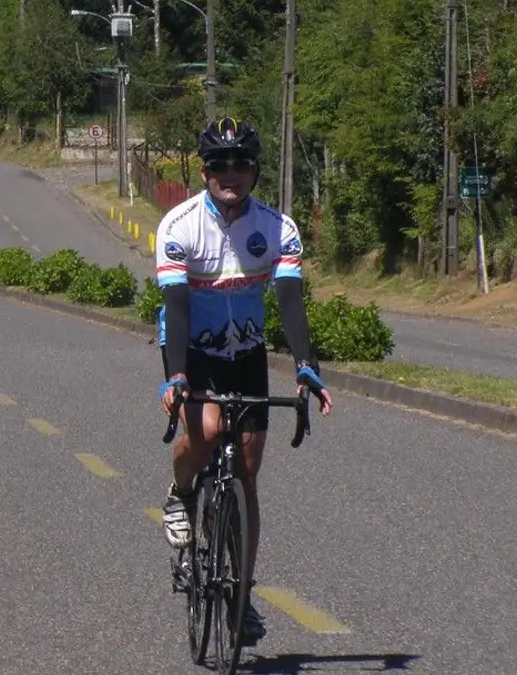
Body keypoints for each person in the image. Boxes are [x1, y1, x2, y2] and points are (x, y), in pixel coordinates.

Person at [154, 116, 332, 646]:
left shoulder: (278, 228)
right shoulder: (179, 226)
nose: (229, 173)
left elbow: (290, 300)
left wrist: (306, 365)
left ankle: (241, 594)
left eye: (240, 164)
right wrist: (177, 376)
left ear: (254, 170)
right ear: (205, 171)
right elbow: (176, 305)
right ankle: (183, 493)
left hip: (247, 350)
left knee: (248, 473)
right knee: (204, 432)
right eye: (218, 165)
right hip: (194, 348)